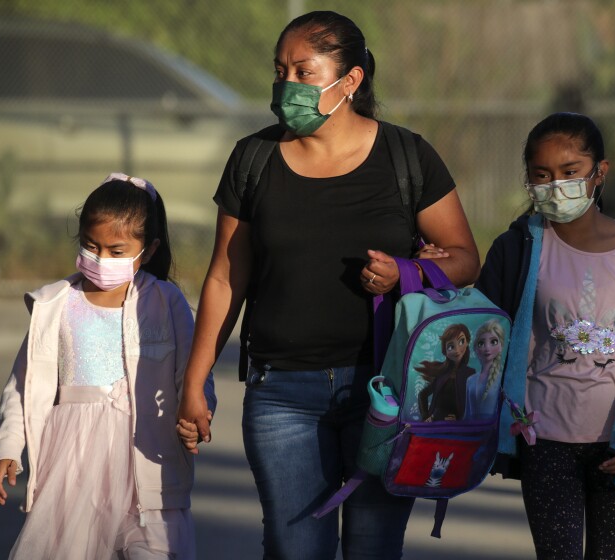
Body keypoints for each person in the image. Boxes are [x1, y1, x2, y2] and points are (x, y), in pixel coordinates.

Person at [175, 10, 479, 559]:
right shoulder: (254, 158)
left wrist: (405, 273)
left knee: (373, 549)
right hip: (281, 396)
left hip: (385, 392)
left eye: (303, 72)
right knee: (294, 550)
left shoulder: (408, 157)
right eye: (280, 71)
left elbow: (464, 258)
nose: (286, 85)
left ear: (351, 81)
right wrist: (195, 381)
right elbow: (225, 273)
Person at [474, 113, 615, 559]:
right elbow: (481, 332)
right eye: (542, 175)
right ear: (528, 180)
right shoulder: (516, 249)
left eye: (570, 173)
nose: (557, 186)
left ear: (599, 173)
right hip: (543, 442)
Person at [0, 173, 217, 560]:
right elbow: (22, 385)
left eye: (116, 250)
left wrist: (196, 414)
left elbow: (194, 371)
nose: (100, 259)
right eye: (91, 246)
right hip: (73, 468)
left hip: (149, 459)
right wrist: (8, 446)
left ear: (148, 249)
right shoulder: (55, 305)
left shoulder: (166, 301)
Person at [415, 323, 474, 421]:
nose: (457, 350)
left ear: (467, 342)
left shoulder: (470, 374)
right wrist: (425, 417)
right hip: (435, 422)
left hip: (456, 427)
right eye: (451, 347)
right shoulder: (442, 373)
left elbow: (473, 404)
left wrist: (459, 418)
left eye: (461, 341)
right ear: (445, 351)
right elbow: (422, 395)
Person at [464, 319, 505, 420]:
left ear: (501, 346)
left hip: (491, 433)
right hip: (470, 433)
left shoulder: (503, 379)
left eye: (493, 342)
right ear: (475, 349)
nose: (487, 348)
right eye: (481, 343)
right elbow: (467, 415)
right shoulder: (470, 380)